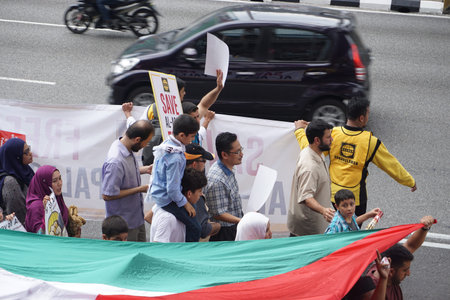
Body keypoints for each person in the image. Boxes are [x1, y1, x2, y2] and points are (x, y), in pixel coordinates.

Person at [294, 98, 416, 216]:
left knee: (337, 229)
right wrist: (409, 181)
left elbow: (310, 149)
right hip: (355, 201)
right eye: (367, 113)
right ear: (362, 118)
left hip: (335, 198)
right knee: (353, 233)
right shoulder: (371, 141)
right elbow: (391, 165)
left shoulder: (333, 134)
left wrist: (299, 131)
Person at [122, 69, 223, 164]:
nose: (197, 120)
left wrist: (128, 114)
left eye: (197, 117)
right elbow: (204, 105)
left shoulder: (154, 109)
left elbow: (204, 105)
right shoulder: (180, 113)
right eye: (183, 91)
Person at [348, 215, 435, 300]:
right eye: (405, 270)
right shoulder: (370, 292)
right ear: (391, 271)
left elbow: (411, 245)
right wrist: (384, 278)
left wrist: (424, 228)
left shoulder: (385, 266)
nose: (408, 273)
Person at [150, 114, 201, 242]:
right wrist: (184, 203)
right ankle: (189, 255)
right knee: (196, 227)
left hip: (159, 193)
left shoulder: (167, 143)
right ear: (182, 135)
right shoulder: (175, 157)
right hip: (167, 199)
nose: (193, 139)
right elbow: (172, 190)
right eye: (192, 136)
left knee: (194, 211)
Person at [102, 120, 154, 242]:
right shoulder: (115, 161)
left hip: (136, 218)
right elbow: (108, 195)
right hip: (124, 227)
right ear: (137, 140)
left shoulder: (125, 147)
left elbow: (125, 174)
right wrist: (140, 189)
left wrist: (145, 169)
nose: (145, 146)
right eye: (145, 143)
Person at [287, 120, 335, 237]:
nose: (332, 139)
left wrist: (304, 128)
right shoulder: (310, 167)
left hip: (310, 225)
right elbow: (306, 197)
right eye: (328, 137)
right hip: (308, 229)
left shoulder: (313, 150)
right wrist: (324, 210)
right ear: (317, 140)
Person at [204, 132, 244, 241]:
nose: (242, 154)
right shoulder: (216, 180)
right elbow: (218, 214)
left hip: (233, 226)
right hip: (224, 233)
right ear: (225, 155)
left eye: (241, 149)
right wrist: (242, 221)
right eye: (237, 152)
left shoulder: (228, 169)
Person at [150, 168, 207, 243]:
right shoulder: (168, 218)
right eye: (199, 191)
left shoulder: (164, 205)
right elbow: (157, 246)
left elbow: (148, 216)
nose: (201, 194)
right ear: (189, 194)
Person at [185, 143, 220, 241]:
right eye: (203, 161)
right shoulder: (194, 192)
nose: (205, 165)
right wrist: (217, 226)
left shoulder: (176, 187)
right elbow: (203, 230)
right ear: (194, 164)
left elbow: (149, 216)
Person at [25, 165, 69, 234]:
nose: (59, 183)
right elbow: (40, 237)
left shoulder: (56, 198)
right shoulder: (36, 207)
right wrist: (47, 211)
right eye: (54, 181)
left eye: (60, 178)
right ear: (45, 184)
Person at [0, 138, 35, 225]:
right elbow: (19, 216)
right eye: (26, 152)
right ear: (16, 157)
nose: (30, 153)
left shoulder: (26, 171)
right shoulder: (10, 182)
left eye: (29, 149)